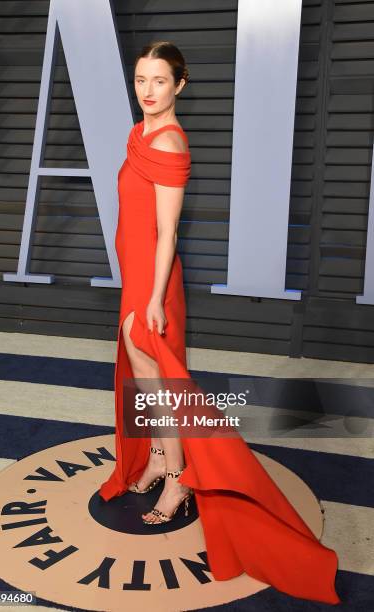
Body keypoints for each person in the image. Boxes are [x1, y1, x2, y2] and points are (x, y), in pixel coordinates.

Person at [99, 40, 341, 605]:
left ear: (179, 85)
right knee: (146, 379)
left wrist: (154, 296)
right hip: (134, 273)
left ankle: (181, 481)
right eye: (141, 79)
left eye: (159, 80)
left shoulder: (170, 142)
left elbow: (169, 233)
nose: (148, 90)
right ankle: (161, 455)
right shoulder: (136, 136)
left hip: (152, 283)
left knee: (160, 380)